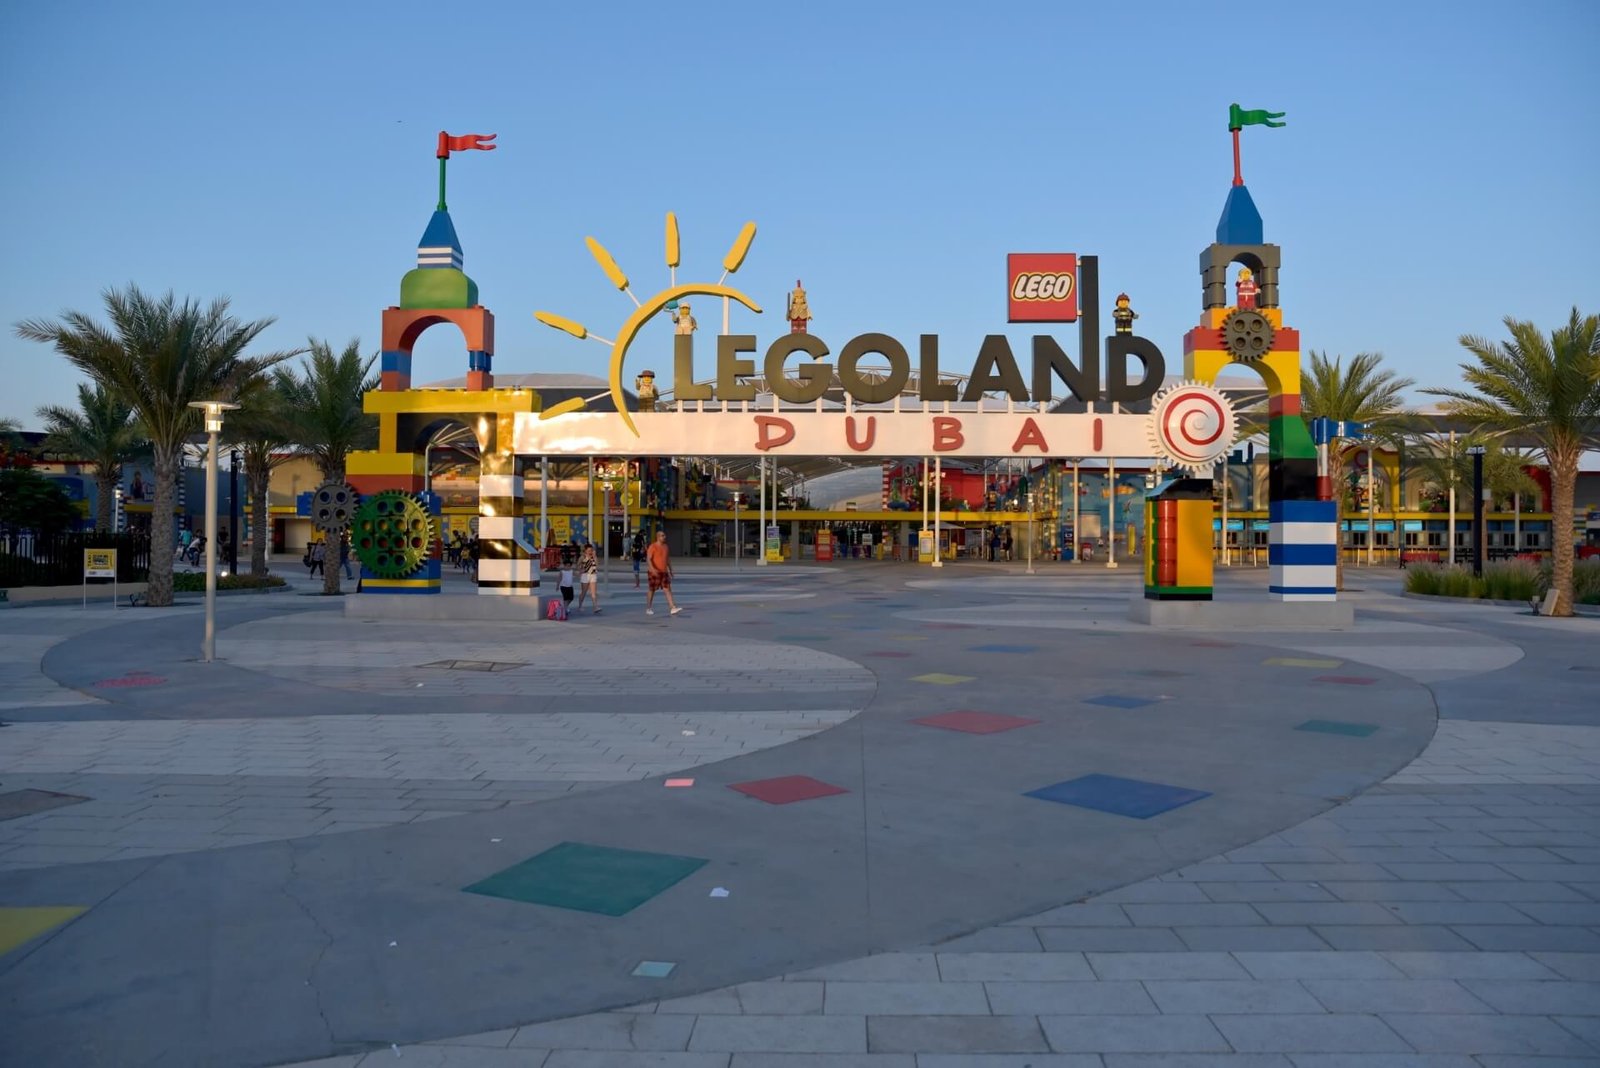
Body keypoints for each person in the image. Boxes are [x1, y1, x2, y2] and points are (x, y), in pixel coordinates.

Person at [645, 530, 681, 616]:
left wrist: (671, 570)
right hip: (654, 572)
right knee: (652, 590)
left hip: (664, 572)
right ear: (658, 537)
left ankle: (672, 607)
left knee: (667, 589)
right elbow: (648, 559)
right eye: (662, 535)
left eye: (664, 535)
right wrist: (653, 569)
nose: (664, 537)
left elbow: (667, 559)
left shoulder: (666, 547)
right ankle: (648, 608)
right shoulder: (653, 546)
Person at [575, 542, 601, 614]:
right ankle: (580, 606)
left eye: (591, 550)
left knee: (593, 593)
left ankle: (595, 607)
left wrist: (595, 556)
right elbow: (577, 565)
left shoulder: (593, 556)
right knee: (584, 592)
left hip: (593, 575)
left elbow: (597, 565)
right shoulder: (582, 557)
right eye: (589, 550)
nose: (590, 552)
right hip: (585, 575)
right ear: (585, 550)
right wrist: (581, 570)